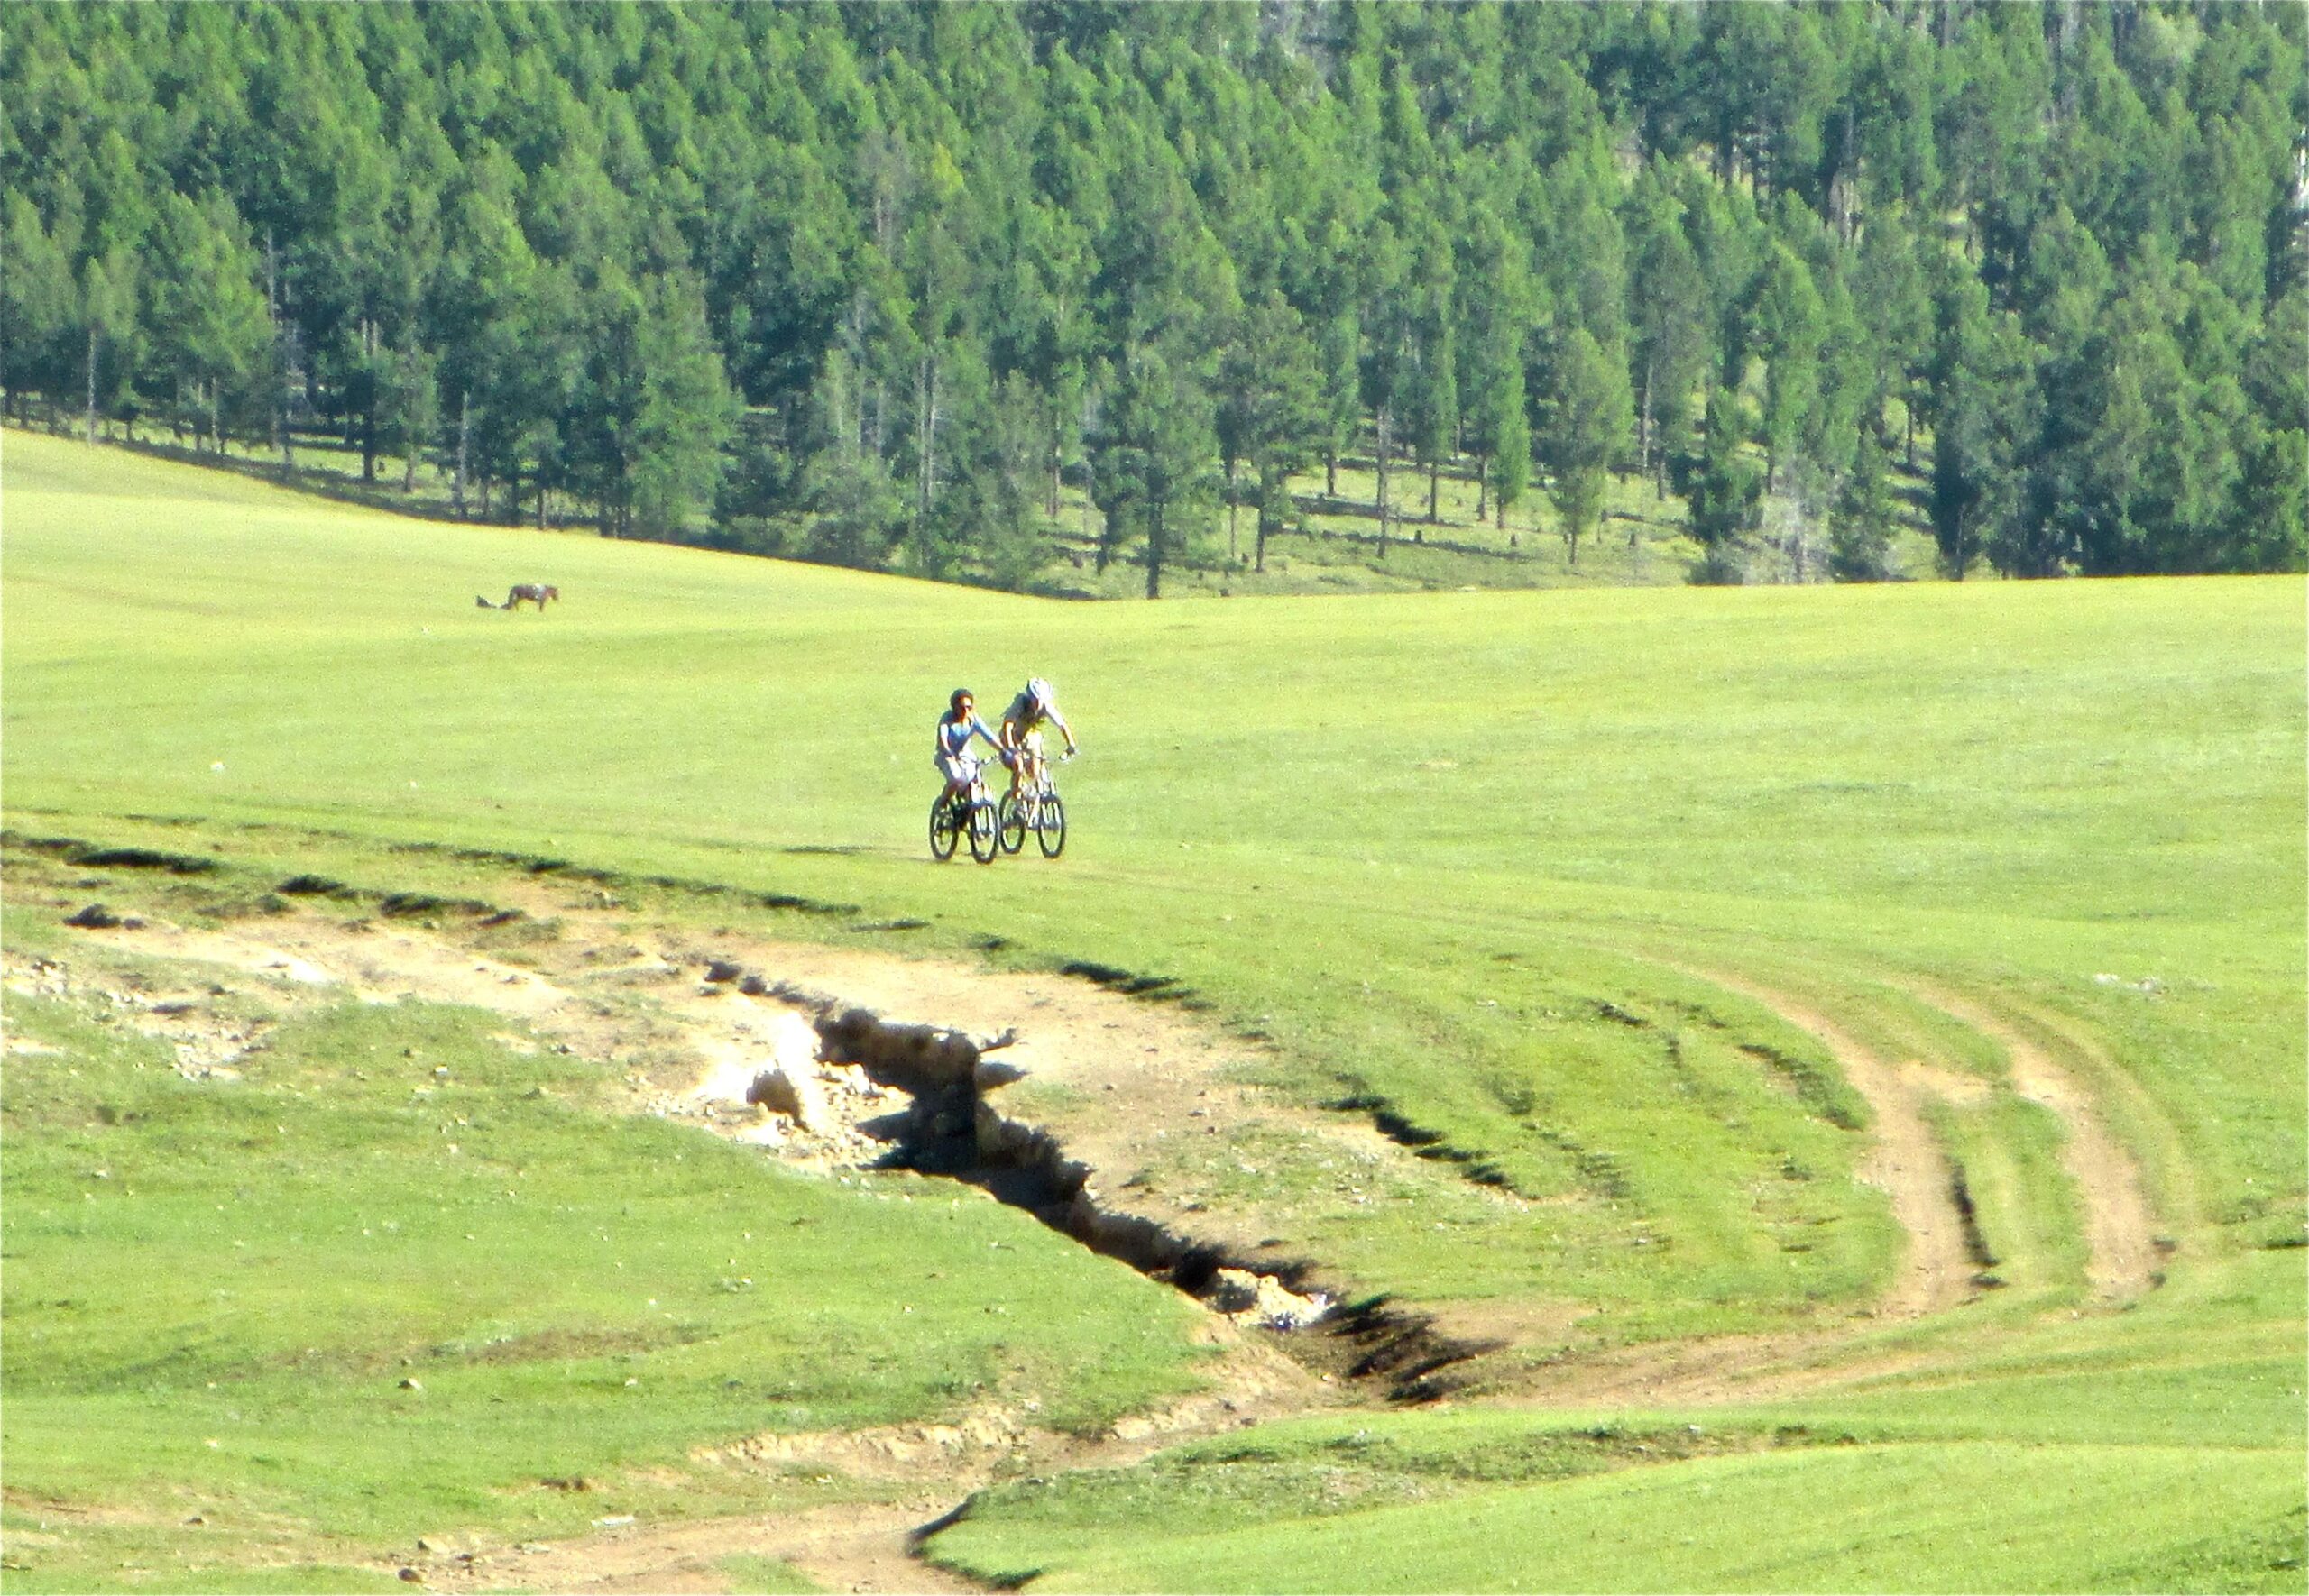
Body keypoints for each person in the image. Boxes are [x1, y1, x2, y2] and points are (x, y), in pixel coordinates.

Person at [997, 676, 1077, 806]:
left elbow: (1062, 725)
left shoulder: (1046, 706)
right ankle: (1017, 803)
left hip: (1030, 736)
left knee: (1035, 771)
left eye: (1041, 700)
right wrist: (1011, 747)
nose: (1038, 704)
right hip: (1012, 735)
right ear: (1030, 697)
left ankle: (1032, 797)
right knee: (1019, 766)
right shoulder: (1020, 702)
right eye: (1035, 700)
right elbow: (1008, 726)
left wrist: (1071, 745)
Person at [934, 688, 1001, 814]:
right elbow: (943, 739)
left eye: (969, 707)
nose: (965, 711)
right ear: (955, 707)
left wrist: (1004, 750)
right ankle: (943, 801)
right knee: (956, 778)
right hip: (946, 755)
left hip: (964, 754)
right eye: (962, 707)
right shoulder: (947, 718)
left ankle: (971, 817)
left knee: (974, 779)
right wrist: (949, 753)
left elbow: (989, 736)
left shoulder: (973, 719)